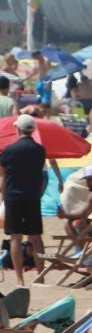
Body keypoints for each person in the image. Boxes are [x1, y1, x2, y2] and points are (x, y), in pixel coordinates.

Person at [0, 114, 49, 285]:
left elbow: (3, 177)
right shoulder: (40, 150)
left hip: (14, 196)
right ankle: (40, 276)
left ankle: (20, 279)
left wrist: (3, 197)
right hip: (32, 196)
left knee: (16, 237)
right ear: (33, 129)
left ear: (18, 129)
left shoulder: (9, 151)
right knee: (36, 238)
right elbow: (41, 176)